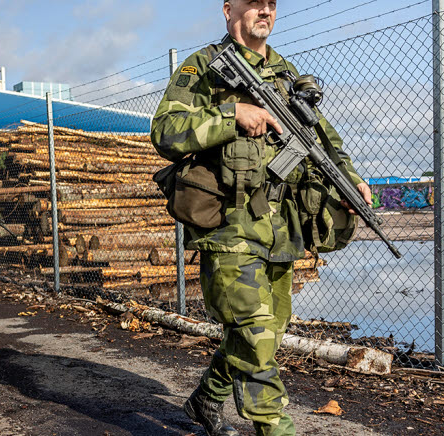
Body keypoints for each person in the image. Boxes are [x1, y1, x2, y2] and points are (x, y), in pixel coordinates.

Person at [150, 1, 371, 435]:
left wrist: (351, 180)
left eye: (271, 4)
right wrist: (232, 116)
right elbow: (165, 132)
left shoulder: (286, 73)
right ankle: (275, 428)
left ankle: (206, 400)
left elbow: (322, 139)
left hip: (280, 227)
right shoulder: (204, 67)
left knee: (265, 330)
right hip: (229, 225)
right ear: (229, 9)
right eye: (255, 4)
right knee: (256, 337)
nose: (265, 11)